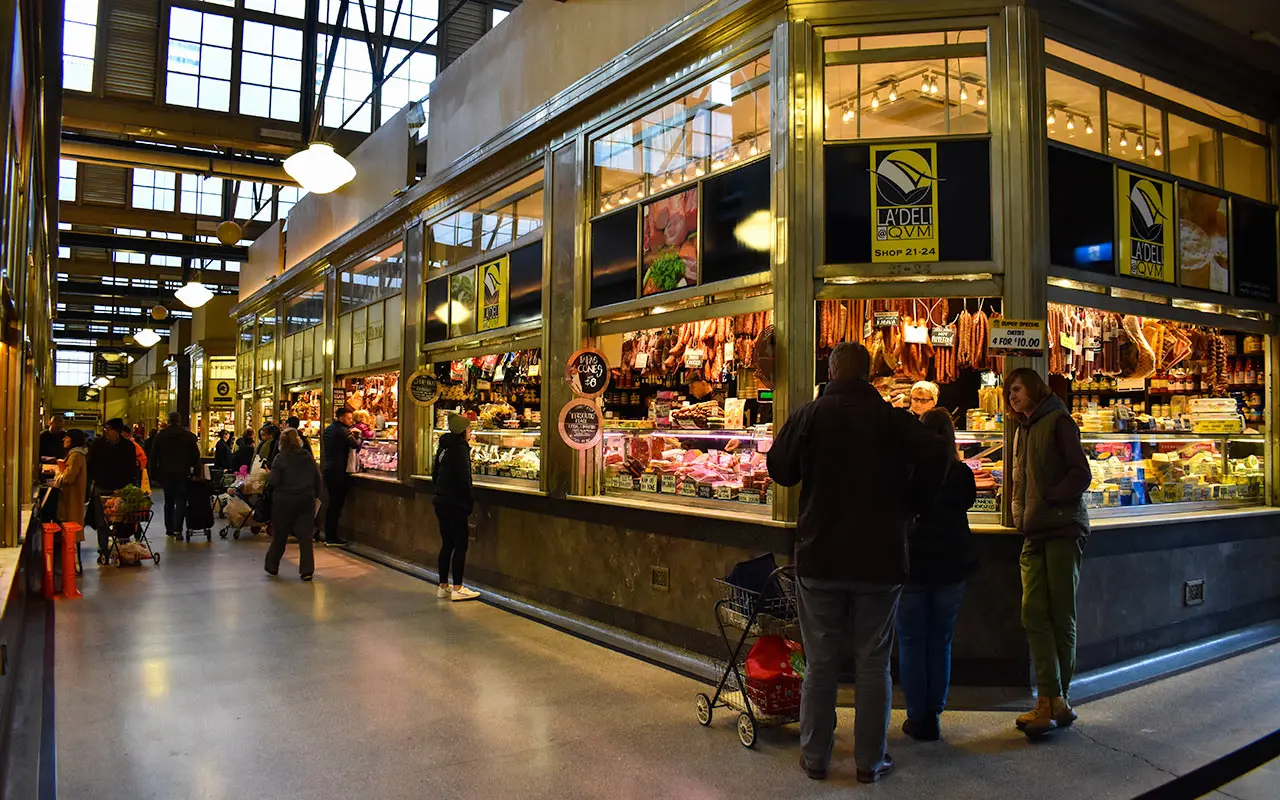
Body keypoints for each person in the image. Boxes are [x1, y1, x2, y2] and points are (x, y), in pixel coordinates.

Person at [766, 342, 945, 784]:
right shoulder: (891, 418)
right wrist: (915, 506)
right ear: (868, 375)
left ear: (830, 370)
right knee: (873, 664)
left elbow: (778, 468)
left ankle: (815, 757)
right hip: (880, 559)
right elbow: (939, 453)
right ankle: (870, 762)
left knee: (821, 663)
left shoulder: (810, 415)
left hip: (820, 555)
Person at [1005, 368, 1091, 736]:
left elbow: (1081, 473)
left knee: (1060, 615)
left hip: (1061, 529)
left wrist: (1051, 499)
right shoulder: (1023, 427)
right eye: (1008, 390)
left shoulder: (1058, 421)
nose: (1011, 395)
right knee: (1032, 613)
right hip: (1034, 531)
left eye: (1018, 388)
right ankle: (1050, 699)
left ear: (1035, 388)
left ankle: (1058, 698)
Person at [896, 408, 978, 742]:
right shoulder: (960, 473)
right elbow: (969, 503)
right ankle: (934, 712)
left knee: (912, 642)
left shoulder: (908, 470)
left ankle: (917, 715)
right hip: (950, 566)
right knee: (940, 641)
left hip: (913, 566)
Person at [432, 413, 480, 602]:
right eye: (469, 428)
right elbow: (464, 480)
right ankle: (458, 588)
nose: (470, 432)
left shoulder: (443, 447)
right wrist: (469, 503)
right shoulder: (460, 449)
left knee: (447, 544)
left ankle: (443, 586)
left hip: (441, 500)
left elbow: (435, 474)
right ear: (463, 431)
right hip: (455, 503)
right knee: (461, 545)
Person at [264, 429, 322, 581]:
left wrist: (269, 473)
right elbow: (317, 479)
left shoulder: (280, 458)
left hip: (283, 501)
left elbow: (274, 481)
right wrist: (315, 495)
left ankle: (272, 565)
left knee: (280, 536)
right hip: (305, 500)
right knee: (305, 537)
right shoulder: (307, 457)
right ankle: (307, 570)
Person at [87, 419, 139, 563]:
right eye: (105, 429)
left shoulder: (128, 446)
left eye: (108, 429)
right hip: (101, 487)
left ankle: (123, 548)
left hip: (121, 488)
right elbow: (90, 463)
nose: (106, 432)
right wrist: (94, 479)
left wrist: (128, 488)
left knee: (121, 519)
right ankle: (103, 549)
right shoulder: (98, 444)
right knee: (101, 521)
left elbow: (131, 468)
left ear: (117, 431)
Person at [149, 412, 202, 539]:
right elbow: (196, 455)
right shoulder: (187, 436)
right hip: (182, 473)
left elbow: (153, 456)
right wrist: (196, 472)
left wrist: (153, 475)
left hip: (165, 473)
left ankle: (169, 529)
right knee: (181, 501)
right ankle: (178, 529)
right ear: (179, 420)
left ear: (168, 420)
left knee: (168, 501)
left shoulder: (161, 436)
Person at [320, 408, 360, 547]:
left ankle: (329, 534)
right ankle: (332, 537)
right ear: (341, 418)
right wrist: (358, 435)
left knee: (332, 504)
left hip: (329, 470)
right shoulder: (343, 431)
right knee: (336, 504)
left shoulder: (328, 429)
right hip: (338, 472)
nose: (351, 421)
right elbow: (356, 445)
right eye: (349, 418)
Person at [55, 429, 90, 549]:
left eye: (67, 437)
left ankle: (70, 557)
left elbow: (68, 478)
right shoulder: (77, 454)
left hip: (71, 497)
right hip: (72, 496)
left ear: (73, 440)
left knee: (70, 526)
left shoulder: (75, 456)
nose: (64, 440)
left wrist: (58, 475)